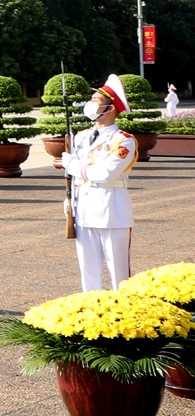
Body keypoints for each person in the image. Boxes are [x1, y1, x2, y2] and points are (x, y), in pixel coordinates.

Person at [63, 75, 138, 291]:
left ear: (111, 108)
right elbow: (77, 177)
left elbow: (106, 174)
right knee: (88, 271)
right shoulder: (81, 137)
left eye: (96, 100)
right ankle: (92, 312)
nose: (91, 104)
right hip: (84, 210)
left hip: (111, 210)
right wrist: (69, 199)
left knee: (119, 273)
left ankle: (124, 313)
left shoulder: (123, 140)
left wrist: (73, 166)